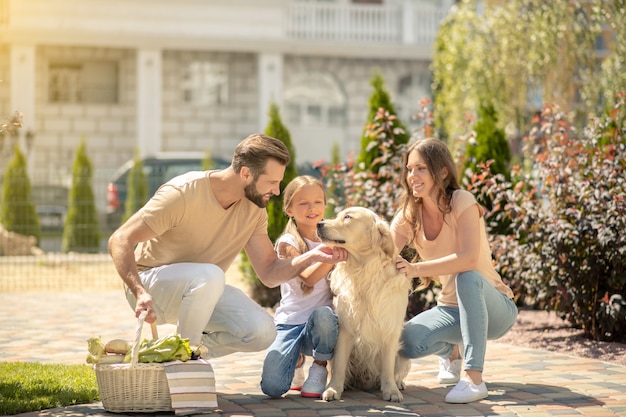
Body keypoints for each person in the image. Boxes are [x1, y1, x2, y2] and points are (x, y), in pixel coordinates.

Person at [108, 133, 347, 359]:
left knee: (263, 332)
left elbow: (270, 273)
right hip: (152, 287)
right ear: (245, 174)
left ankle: (172, 351)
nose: (276, 191)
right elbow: (120, 239)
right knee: (211, 274)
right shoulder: (182, 193)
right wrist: (140, 292)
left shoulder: (254, 210)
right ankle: (186, 361)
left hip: (202, 290)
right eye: (271, 182)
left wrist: (314, 256)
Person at [391, 138, 518, 404]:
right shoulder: (409, 215)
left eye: (421, 168)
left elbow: (468, 259)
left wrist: (415, 268)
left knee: (468, 277)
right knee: (407, 343)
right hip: (451, 308)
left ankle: (474, 378)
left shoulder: (462, 201)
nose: (412, 175)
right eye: (409, 168)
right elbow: (383, 252)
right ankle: (451, 352)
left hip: (494, 306)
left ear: (443, 172)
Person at [260, 175, 338, 399]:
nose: (312, 208)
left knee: (324, 315)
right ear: (290, 209)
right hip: (291, 322)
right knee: (272, 388)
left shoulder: (335, 236)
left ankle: (320, 367)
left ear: (325, 204)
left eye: (317, 202)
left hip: (323, 326)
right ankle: (297, 360)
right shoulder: (288, 242)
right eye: (303, 203)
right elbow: (308, 278)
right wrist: (332, 255)